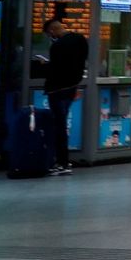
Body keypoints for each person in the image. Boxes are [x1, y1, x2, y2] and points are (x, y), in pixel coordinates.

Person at [39, 17, 88, 175]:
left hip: (57, 90)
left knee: (58, 126)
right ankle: (63, 161)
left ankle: (62, 163)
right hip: (72, 88)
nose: (50, 37)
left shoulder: (57, 46)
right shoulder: (80, 40)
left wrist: (44, 66)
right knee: (62, 124)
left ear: (52, 30)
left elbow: (55, 69)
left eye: (48, 34)